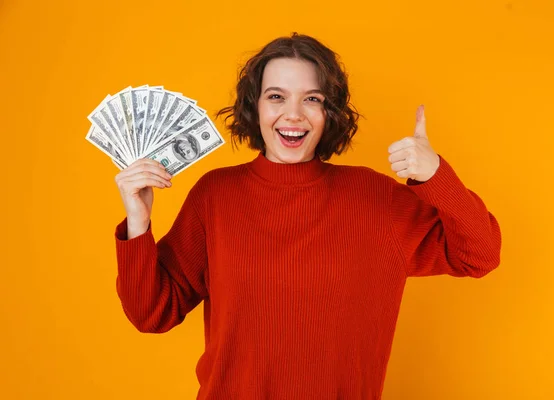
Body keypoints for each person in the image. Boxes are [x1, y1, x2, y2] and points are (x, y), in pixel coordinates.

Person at [113, 33, 502, 400]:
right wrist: (139, 221)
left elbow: (480, 254)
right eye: (276, 96)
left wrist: (435, 174)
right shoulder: (215, 195)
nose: (293, 114)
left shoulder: (376, 199)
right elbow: (151, 313)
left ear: (329, 111)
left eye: (312, 99)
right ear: (256, 107)